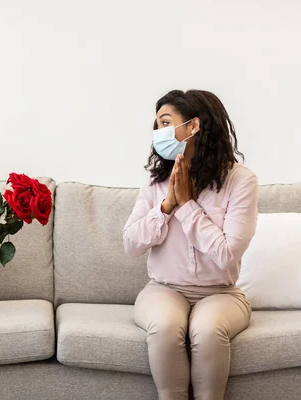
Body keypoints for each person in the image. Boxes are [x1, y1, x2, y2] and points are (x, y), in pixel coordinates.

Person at [122, 90, 258, 400]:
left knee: (208, 330)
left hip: (221, 293)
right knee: (166, 328)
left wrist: (187, 206)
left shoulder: (241, 181)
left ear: (194, 126)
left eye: (165, 122)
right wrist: (167, 205)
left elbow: (226, 254)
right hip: (164, 289)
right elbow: (130, 243)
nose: (159, 133)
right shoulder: (156, 181)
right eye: (156, 125)